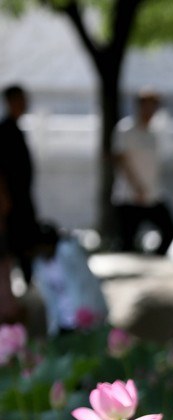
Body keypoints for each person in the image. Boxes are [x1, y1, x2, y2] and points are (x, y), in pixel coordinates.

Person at [112, 88, 173, 255]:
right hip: (128, 197)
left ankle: (153, 261)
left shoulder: (154, 133)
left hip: (153, 195)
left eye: (153, 106)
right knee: (127, 242)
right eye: (147, 106)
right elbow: (121, 160)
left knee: (170, 231)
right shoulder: (125, 129)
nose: (150, 110)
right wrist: (136, 187)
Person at [30, 223, 108, 335]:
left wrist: (87, 315)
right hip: (62, 319)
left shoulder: (69, 253)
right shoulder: (40, 265)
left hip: (83, 315)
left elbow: (86, 285)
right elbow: (49, 297)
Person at [0, 85, 36, 321]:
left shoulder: (16, 129)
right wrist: (4, 197)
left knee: (22, 245)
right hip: (10, 203)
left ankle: (22, 292)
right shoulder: (4, 130)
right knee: (9, 249)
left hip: (20, 199)